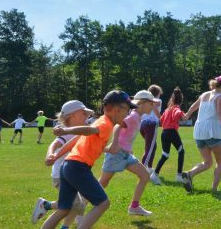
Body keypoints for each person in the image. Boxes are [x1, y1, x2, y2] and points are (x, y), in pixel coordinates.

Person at [32, 90, 137, 229]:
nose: (128, 114)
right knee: (103, 203)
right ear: (117, 110)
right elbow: (89, 132)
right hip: (78, 167)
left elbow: (78, 140)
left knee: (64, 208)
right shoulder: (105, 124)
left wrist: (57, 155)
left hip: (68, 165)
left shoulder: (102, 121)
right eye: (128, 110)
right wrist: (66, 131)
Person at [98, 90, 160, 216]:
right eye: (151, 103)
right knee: (102, 183)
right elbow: (117, 126)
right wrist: (115, 143)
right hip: (117, 153)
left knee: (145, 176)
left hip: (126, 154)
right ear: (142, 103)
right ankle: (80, 205)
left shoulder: (138, 116)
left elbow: (127, 134)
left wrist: (129, 148)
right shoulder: (133, 116)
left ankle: (134, 206)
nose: (153, 106)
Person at [34, 100, 94, 229]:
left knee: (77, 204)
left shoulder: (81, 130)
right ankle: (47, 206)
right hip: (61, 176)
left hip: (75, 173)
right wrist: (50, 154)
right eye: (84, 113)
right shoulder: (67, 132)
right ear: (72, 116)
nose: (87, 116)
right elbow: (55, 144)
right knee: (74, 204)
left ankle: (49, 208)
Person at [181, 75, 221, 193]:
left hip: (199, 132)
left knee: (207, 162)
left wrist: (187, 115)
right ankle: (214, 188)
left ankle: (189, 174)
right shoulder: (220, 97)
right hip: (212, 131)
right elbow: (220, 114)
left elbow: (193, 106)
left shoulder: (204, 94)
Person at [150, 87, 190, 185]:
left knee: (165, 155)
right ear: (180, 100)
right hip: (172, 132)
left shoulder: (167, 109)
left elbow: (161, 120)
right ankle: (179, 176)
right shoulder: (176, 108)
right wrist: (182, 114)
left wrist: (154, 108)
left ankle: (154, 175)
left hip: (164, 133)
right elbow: (176, 115)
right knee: (181, 151)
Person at [139, 85, 163, 173]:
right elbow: (156, 105)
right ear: (157, 93)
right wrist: (161, 119)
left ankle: (149, 167)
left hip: (143, 125)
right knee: (149, 149)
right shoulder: (157, 100)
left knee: (152, 147)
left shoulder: (146, 101)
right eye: (160, 93)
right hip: (151, 125)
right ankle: (142, 170)